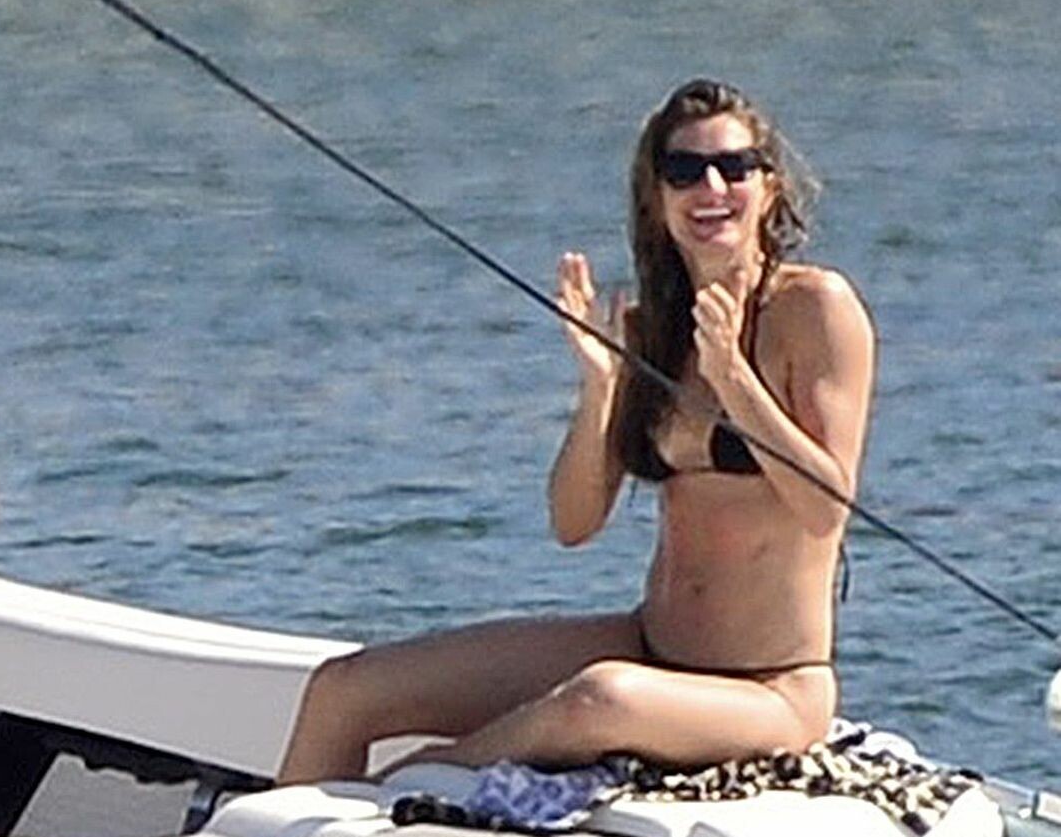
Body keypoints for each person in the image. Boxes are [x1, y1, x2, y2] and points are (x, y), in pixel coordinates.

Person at [278, 77, 874, 786]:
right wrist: (599, 390)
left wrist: (735, 379)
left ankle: (412, 784)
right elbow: (573, 523)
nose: (711, 187)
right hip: (652, 645)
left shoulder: (814, 309)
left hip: (772, 689)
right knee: (344, 689)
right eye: (685, 170)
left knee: (598, 697)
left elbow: (826, 506)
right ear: (656, 198)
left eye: (734, 167)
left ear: (768, 187)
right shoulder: (650, 328)